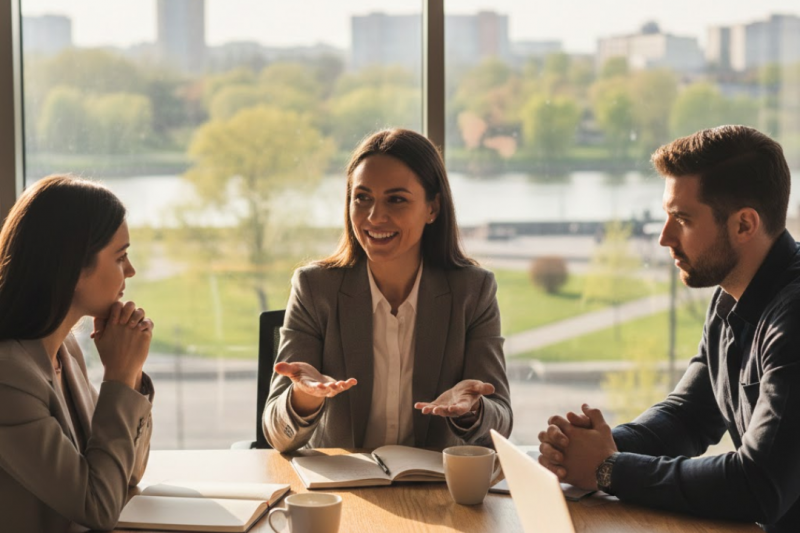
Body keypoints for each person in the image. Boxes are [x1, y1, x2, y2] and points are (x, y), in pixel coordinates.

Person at [538, 125, 800, 533]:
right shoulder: (731, 295)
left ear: (745, 225)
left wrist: (609, 469)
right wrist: (595, 448)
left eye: (682, 219)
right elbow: (688, 417)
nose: (664, 238)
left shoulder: (794, 316)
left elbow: (757, 484)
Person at [263, 128, 512, 452]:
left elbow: (501, 423)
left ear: (432, 208)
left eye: (396, 199)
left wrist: (473, 411)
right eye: (362, 198)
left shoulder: (473, 291)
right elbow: (277, 434)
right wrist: (303, 397)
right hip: (346, 494)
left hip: (437, 496)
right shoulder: (315, 288)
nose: (374, 216)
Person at [0, 175, 155, 533]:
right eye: (121, 257)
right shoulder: (9, 379)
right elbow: (98, 508)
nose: (130, 271)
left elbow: (127, 473)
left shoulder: (66, 350)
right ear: (71, 267)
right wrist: (117, 377)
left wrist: (130, 375)